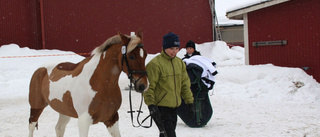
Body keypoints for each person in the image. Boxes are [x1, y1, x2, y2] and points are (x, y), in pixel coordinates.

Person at [143, 32, 195, 137]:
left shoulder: (179, 63)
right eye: (171, 48)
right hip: (161, 108)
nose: (174, 51)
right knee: (170, 135)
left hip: (174, 107)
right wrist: (151, 105)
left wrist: (190, 103)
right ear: (164, 47)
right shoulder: (155, 64)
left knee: (165, 135)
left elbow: (185, 85)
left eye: (177, 48)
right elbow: (149, 87)